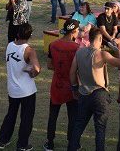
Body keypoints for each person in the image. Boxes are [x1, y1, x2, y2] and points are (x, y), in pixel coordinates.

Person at [68, 27, 120, 151]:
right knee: (100, 129)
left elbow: (72, 73)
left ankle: (71, 148)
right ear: (99, 39)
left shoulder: (79, 52)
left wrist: (74, 89)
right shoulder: (102, 54)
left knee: (78, 125)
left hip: (84, 93)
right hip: (99, 94)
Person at [0, 23, 40, 151]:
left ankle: (2, 140)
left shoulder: (10, 45)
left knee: (11, 114)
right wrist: (31, 72)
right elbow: (37, 69)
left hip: (12, 89)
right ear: (30, 36)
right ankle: (22, 144)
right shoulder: (29, 50)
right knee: (26, 118)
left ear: (18, 33)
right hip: (27, 91)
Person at [45, 19, 80, 151]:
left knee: (53, 116)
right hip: (72, 85)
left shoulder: (53, 45)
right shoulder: (77, 48)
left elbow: (49, 65)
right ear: (73, 32)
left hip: (57, 85)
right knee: (73, 117)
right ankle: (72, 143)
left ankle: (50, 142)